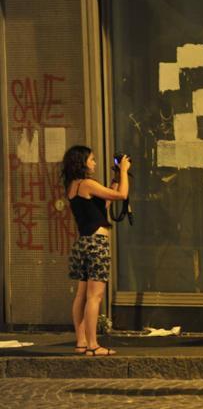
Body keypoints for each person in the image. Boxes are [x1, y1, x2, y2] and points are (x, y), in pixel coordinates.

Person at [61, 145, 130, 356]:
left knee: (82, 294)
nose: (94, 163)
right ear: (82, 162)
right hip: (96, 243)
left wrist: (116, 178)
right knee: (95, 296)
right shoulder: (87, 183)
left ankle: (81, 341)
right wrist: (125, 171)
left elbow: (104, 204)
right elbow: (122, 195)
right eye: (91, 159)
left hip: (83, 242)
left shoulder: (74, 185)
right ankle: (93, 345)